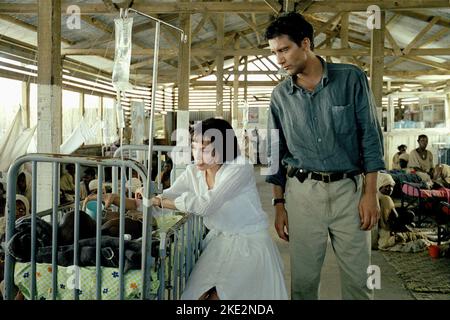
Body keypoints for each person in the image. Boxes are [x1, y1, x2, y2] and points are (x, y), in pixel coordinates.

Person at [264, 12, 385, 300]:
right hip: (304, 194)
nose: (279, 59)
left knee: (359, 282)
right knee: (303, 284)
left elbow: (370, 137)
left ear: (305, 43)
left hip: (349, 193)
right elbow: (275, 153)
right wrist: (279, 204)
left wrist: (371, 194)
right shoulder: (280, 96)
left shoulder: (351, 78)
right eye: (274, 53)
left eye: (284, 50)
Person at [151, 118, 287, 300]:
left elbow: (206, 205)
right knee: (194, 296)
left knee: (222, 296)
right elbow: (166, 195)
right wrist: (134, 198)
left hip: (251, 243)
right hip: (219, 243)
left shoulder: (240, 167)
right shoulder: (193, 172)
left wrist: (160, 201)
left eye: (205, 149)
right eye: (194, 147)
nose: (197, 155)